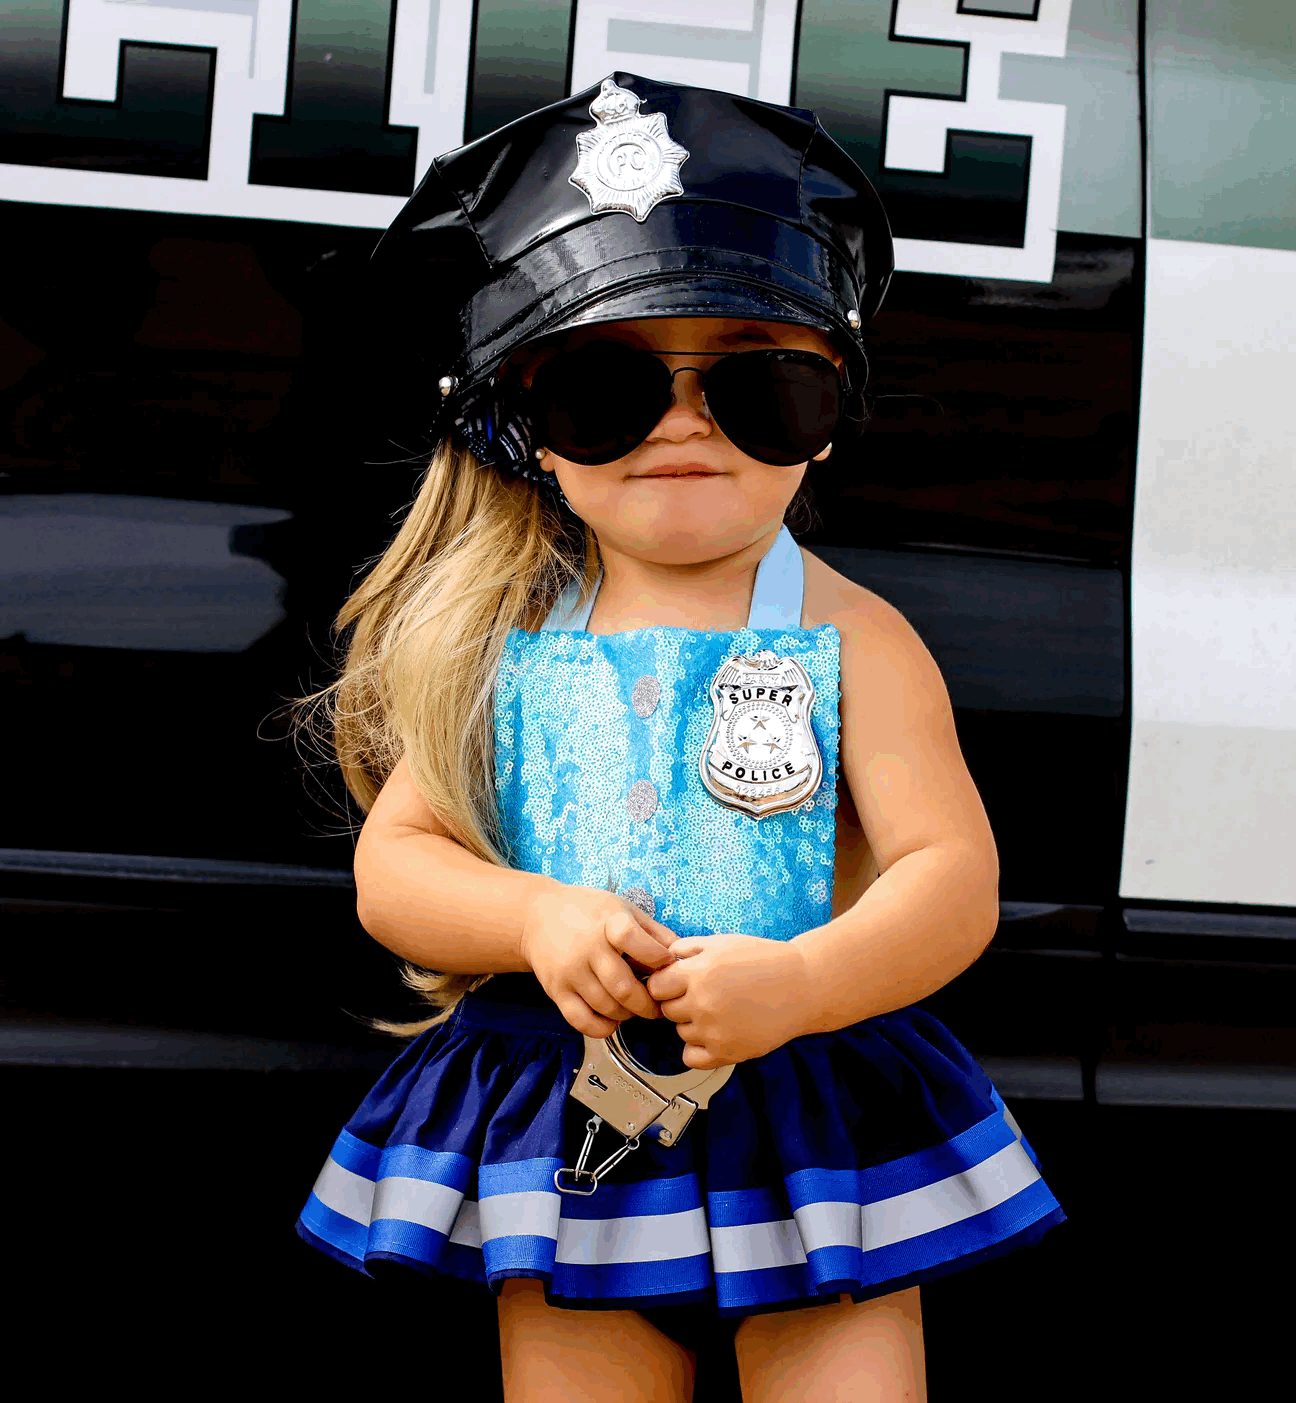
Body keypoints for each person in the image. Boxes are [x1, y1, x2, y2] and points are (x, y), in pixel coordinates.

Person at [295, 73, 1064, 1402]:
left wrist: (806, 984)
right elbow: (398, 869)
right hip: (568, 1103)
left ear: (831, 418)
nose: (687, 421)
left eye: (761, 384)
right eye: (607, 386)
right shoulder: (502, 637)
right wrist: (536, 916)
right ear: (524, 427)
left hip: (810, 1096)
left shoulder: (855, 635)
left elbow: (950, 875)